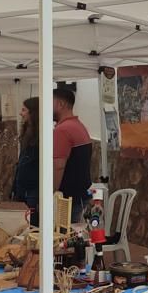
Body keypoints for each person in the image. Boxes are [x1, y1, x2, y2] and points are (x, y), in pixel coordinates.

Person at [52, 88, 92, 222]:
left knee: (63, 239)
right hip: (81, 196)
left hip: (68, 200)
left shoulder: (62, 130)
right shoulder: (80, 126)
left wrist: (51, 194)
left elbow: (58, 166)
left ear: (61, 104)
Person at [12, 98, 40, 221]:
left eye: (24, 110)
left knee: (30, 224)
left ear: (33, 113)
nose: (21, 113)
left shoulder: (41, 136)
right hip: (22, 188)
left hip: (32, 191)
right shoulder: (26, 133)